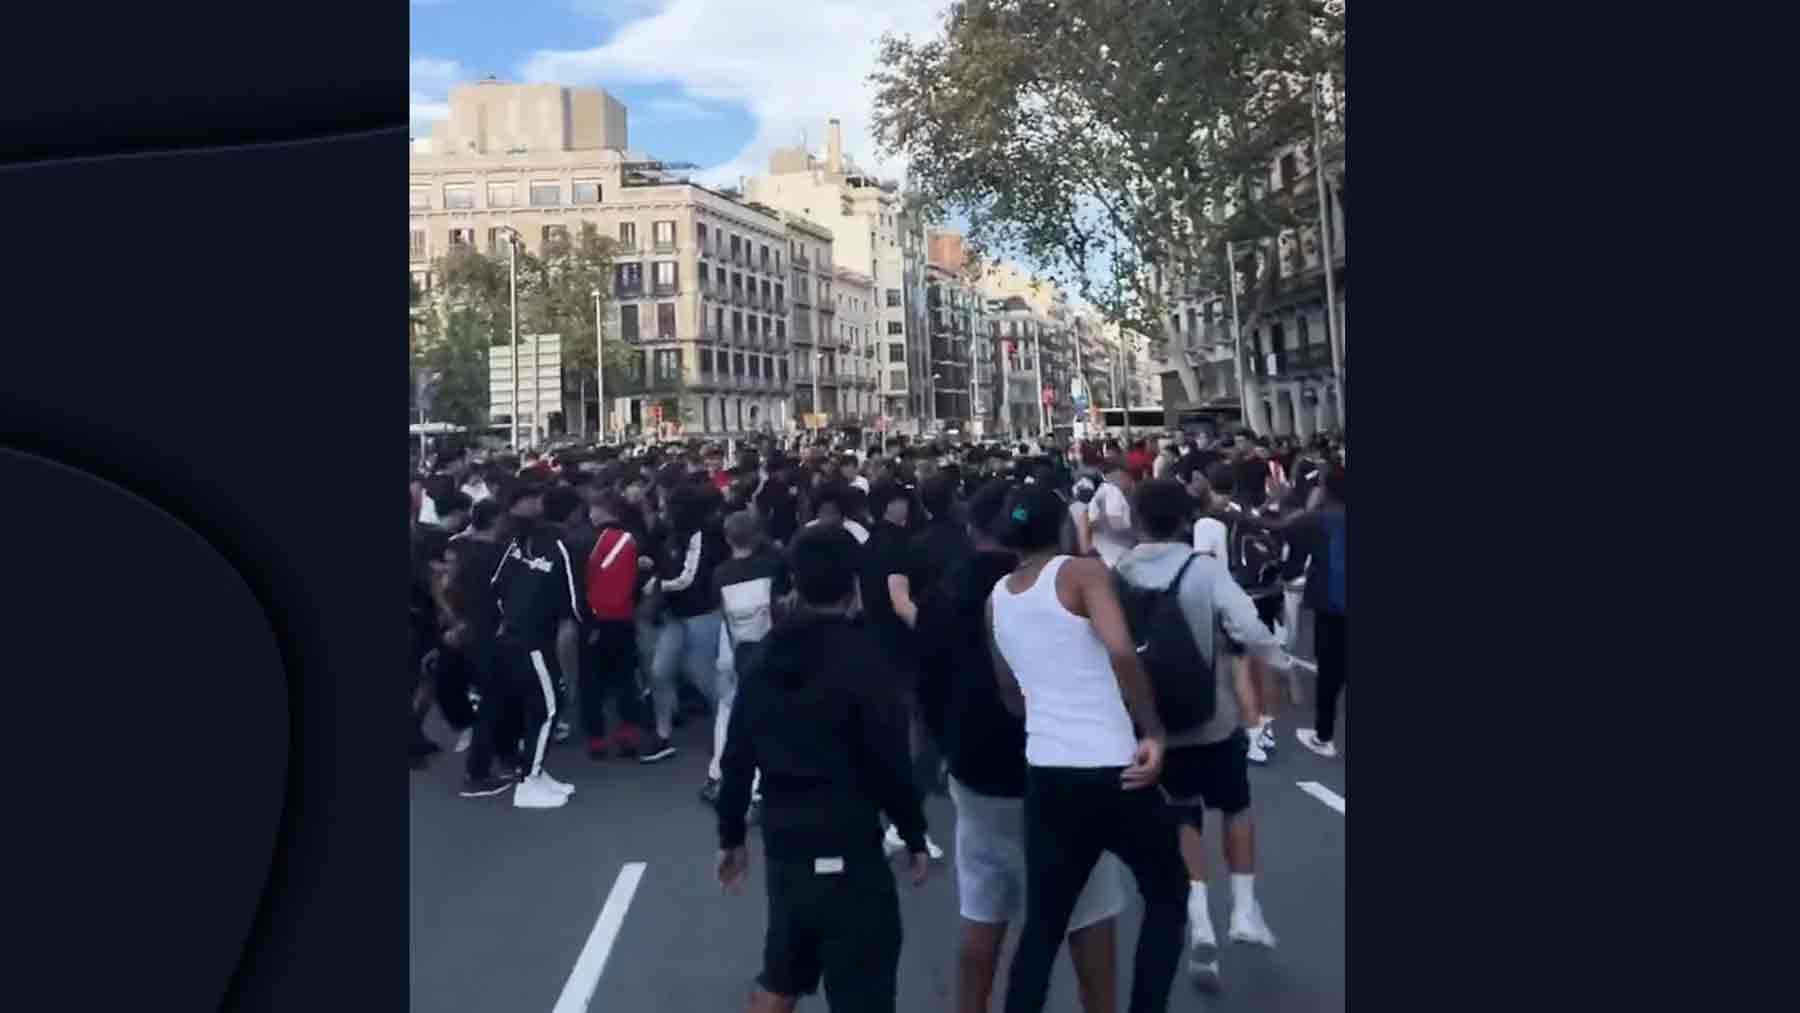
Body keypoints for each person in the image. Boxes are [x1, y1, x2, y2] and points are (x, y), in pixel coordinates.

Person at [917, 481, 1123, 1013]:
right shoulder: (1059, 587)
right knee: (1089, 906)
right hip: (1060, 764)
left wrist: (947, 751)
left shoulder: (945, 597)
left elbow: (927, 687)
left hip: (977, 769)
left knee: (984, 905)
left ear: (973, 531)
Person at [986, 484, 1188, 1013]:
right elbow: (1121, 649)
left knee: (1043, 927)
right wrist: (1153, 731)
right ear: (1061, 528)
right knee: (1167, 893)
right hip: (1112, 770)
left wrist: (1051, 715)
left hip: (1048, 775)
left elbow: (1011, 695)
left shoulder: (997, 599)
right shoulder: (1083, 574)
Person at [714, 525, 931, 1013]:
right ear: (854, 587)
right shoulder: (867, 661)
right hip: (851, 841)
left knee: (782, 972)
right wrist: (913, 834)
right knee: (863, 988)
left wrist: (731, 838)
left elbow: (736, 760)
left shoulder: (765, 658)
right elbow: (890, 762)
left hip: (786, 841)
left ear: (795, 583)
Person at [1116, 479, 1286, 989]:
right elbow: (1251, 627)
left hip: (1156, 725)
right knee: (1235, 807)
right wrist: (1265, 658)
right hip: (1213, 717)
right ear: (1184, 520)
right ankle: (1243, 909)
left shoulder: (1118, 572)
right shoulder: (1203, 569)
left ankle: (1200, 921)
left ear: (1137, 519)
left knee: (1181, 814)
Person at [489, 482, 582, 809]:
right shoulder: (557, 545)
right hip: (532, 640)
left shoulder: (516, 542)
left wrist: (508, 617)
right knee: (549, 707)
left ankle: (536, 773)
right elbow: (571, 601)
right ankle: (529, 780)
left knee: (540, 706)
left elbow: (497, 586)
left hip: (521, 635)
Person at [702, 509, 789, 809]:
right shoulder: (772, 566)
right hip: (770, 648)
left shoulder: (720, 575)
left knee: (732, 714)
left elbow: (723, 617)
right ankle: (761, 787)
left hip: (737, 649)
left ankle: (720, 775)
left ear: (728, 539)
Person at [646, 483, 728, 763]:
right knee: (659, 672)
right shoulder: (673, 534)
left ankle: (725, 733)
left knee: (704, 678)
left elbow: (689, 577)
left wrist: (659, 585)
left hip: (700, 613)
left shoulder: (701, 536)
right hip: (678, 613)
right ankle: (662, 734)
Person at [582, 490, 652, 761]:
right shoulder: (631, 540)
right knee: (625, 679)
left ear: (601, 510)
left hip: (592, 620)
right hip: (622, 618)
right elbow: (639, 578)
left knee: (592, 683)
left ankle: (597, 740)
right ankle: (628, 735)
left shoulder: (584, 540)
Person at [1086, 456, 1137, 569]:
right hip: (1117, 555)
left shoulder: (1104, 491)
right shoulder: (1113, 493)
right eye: (1127, 475)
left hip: (1105, 552)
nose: (1131, 480)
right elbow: (1116, 526)